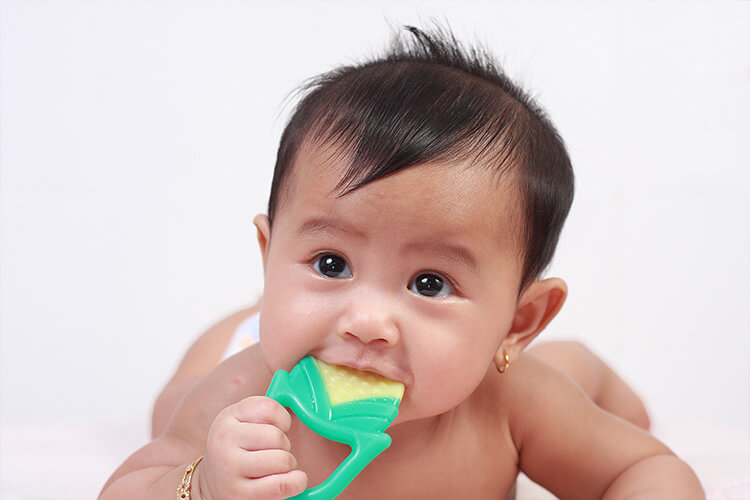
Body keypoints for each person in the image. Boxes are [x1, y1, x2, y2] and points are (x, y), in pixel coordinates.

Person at [100, 24, 704, 499]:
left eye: (429, 283)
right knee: (168, 409)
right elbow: (126, 489)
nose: (366, 320)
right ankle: (256, 314)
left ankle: (580, 362)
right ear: (268, 256)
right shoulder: (242, 392)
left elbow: (647, 469)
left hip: (501, 368)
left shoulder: (515, 404)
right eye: (331, 262)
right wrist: (202, 485)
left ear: (519, 323)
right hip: (248, 343)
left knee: (581, 386)